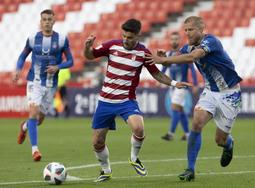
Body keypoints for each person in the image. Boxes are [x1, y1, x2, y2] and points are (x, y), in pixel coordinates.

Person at [83, 18, 192, 182]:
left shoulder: (144, 53)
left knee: (139, 129)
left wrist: (175, 83)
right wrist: (87, 47)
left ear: (138, 36)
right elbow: (90, 56)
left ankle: (134, 158)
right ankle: (106, 171)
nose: (126, 39)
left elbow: (157, 74)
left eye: (130, 37)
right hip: (105, 101)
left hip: (127, 101)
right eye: (124, 36)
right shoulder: (112, 45)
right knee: (97, 142)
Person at [146, 16, 242, 181]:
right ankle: (190, 169)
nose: (187, 33)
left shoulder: (211, 41)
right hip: (210, 92)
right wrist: (165, 58)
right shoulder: (187, 47)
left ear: (201, 28)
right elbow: (174, 60)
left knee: (220, 140)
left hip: (230, 94)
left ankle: (228, 143)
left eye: (191, 29)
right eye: (186, 30)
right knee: (196, 124)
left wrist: (165, 59)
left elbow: (192, 57)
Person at [13, 9, 74, 161]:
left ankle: (25, 127)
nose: (47, 22)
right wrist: (17, 70)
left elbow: (71, 61)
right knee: (33, 113)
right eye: (44, 19)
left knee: (38, 120)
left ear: (54, 21)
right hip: (35, 82)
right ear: (41, 22)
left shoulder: (61, 40)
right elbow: (22, 56)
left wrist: (58, 67)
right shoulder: (33, 38)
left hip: (51, 85)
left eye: (49, 19)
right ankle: (35, 150)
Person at [160, 31, 198, 141]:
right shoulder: (169, 54)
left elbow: (192, 69)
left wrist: (195, 84)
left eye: (176, 39)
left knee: (175, 108)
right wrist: (160, 78)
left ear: (180, 40)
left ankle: (170, 133)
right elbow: (164, 68)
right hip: (172, 87)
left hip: (182, 87)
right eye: (172, 39)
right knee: (180, 110)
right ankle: (187, 134)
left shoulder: (184, 54)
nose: (174, 41)